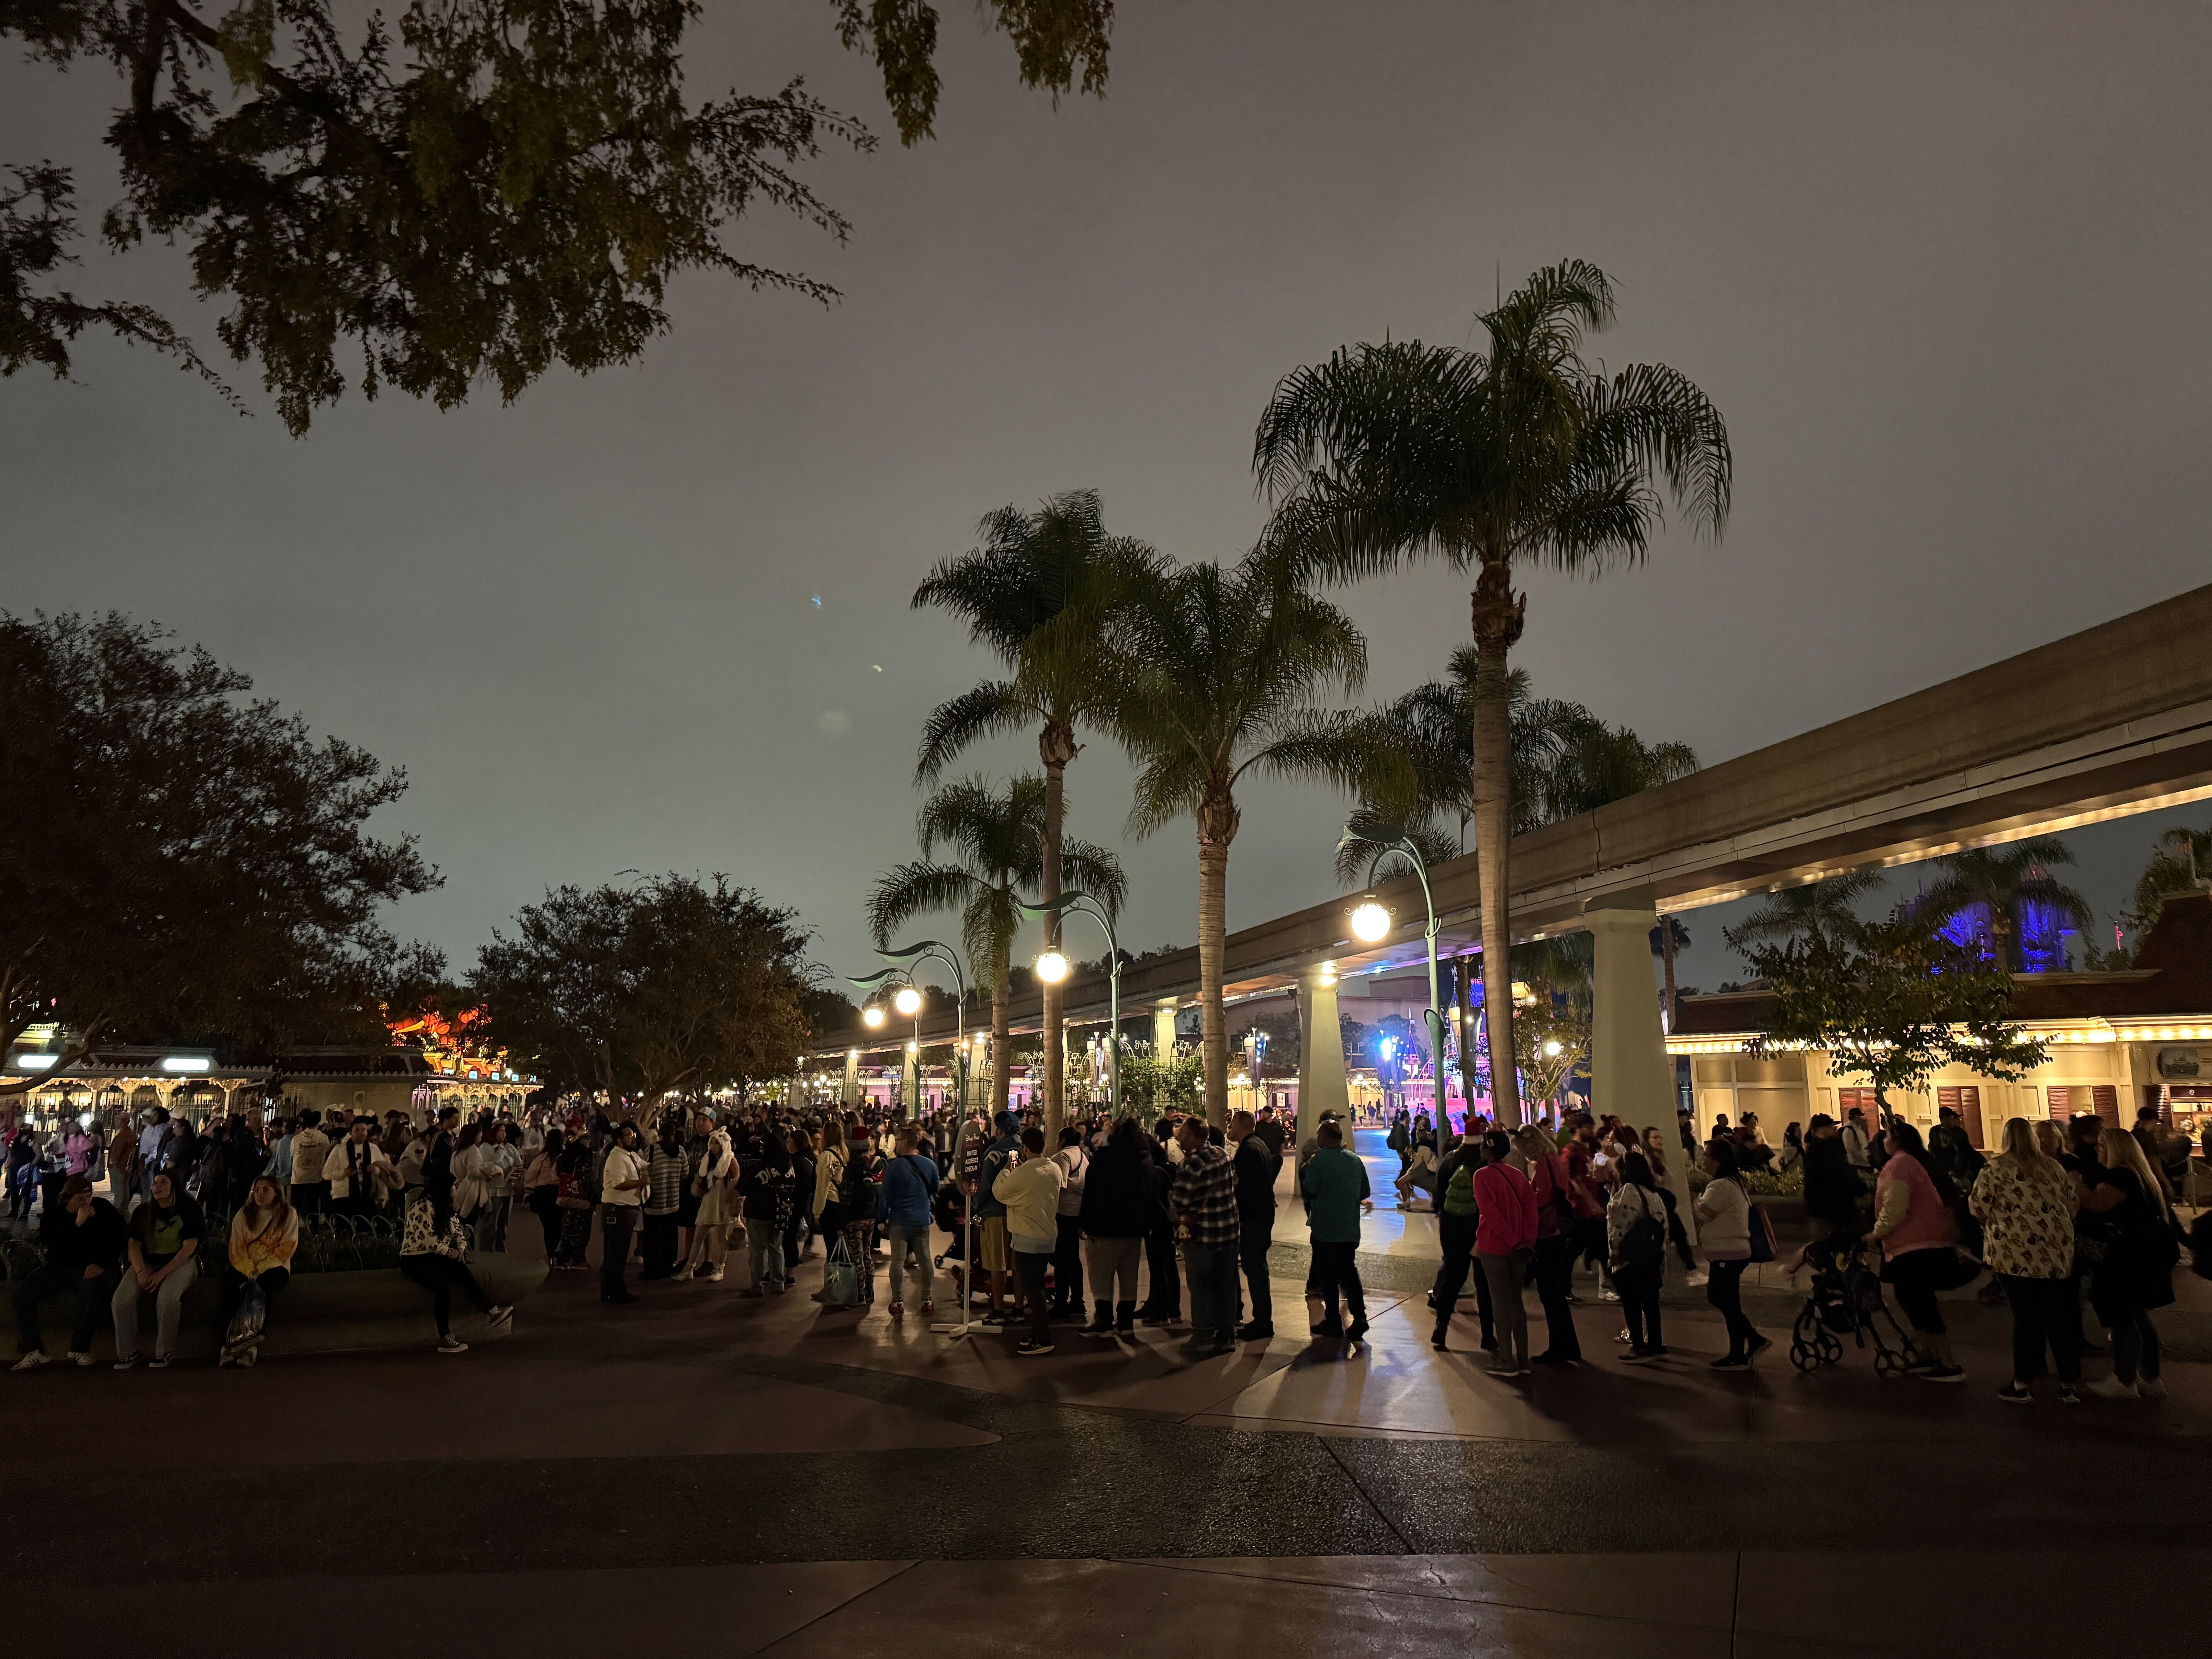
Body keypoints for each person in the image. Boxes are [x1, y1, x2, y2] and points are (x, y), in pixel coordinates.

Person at [1969, 1117, 2081, 1406]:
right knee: (2057, 1317)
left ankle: (2023, 1383)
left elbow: (1978, 1206)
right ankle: (2069, 1384)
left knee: (2025, 1318)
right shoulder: (2053, 1167)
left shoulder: (1996, 1168)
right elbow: (2072, 1204)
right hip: (2056, 1252)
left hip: (2014, 1254)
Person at [1865, 1119, 1965, 1383]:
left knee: (1920, 1304)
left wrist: (1875, 1235)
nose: (1884, 1141)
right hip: (1929, 1244)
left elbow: (1894, 1209)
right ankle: (1929, 1354)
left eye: (1887, 1137)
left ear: (1897, 1141)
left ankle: (1946, 1362)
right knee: (1916, 1301)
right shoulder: (1919, 1162)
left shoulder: (1900, 1165)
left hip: (1912, 1247)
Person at [2081, 1126, 2176, 1399]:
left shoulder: (2121, 1176)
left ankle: (2124, 1380)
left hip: (2127, 1256)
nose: (2097, 1150)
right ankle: (2150, 1377)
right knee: (2137, 1316)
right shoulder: (2141, 1175)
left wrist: (2077, 1187)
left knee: (2122, 1317)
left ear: (2116, 1149)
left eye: (2102, 1145)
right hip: (2144, 1253)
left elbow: (2099, 1204)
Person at [11, 1175, 128, 1370]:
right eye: (80, 1198)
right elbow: (56, 1246)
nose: (86, 1202)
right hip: (62, 1265)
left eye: (89, 1197)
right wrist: (77, 1224)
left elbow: (118, 1238)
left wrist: (101, 1264)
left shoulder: (103, 1209)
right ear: (68, 1198)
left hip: (94, 1265)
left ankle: (79, 1348)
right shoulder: (54, 1216)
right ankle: (34, 1349)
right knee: (23, 1294)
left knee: (92, 1292)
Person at [398, 1188, 511, 1354]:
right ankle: (445, 1337)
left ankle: (490, 1311)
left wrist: (460, 1248)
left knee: (462, 1272)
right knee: (442, 1289)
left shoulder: (446, 1207)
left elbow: (458, 1231)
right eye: (453, 1186)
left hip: (436, 1255)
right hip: (415, 1258)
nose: (456, 1189)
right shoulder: (422, 1207)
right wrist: (449, 1252)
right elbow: (426, 1239)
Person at [112, 1170, 205, 1370]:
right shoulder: (143, 1212)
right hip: (148, 1263)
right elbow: (134, 1244)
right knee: (121, 1300)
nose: (158, 1187)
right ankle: (128, 1353)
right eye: (155, 1183)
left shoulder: (190, 1210)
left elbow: (188, 1248)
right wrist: (141, 1271)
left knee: (168, 1298)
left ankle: (165, 1352)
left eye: (163, 1183)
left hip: (180, 1263)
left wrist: (162, 1274)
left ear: (174, 1187)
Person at [1170, 1114, 1240, 1358]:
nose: (1179, 1137)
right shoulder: (1223, 1155)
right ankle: (1227, 1334)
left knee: (1201, 1286)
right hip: (1229, 1232)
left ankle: (1203, 1334)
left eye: (1182, 1133)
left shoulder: (1191, 1164)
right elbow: (1235, 1182)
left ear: (1192, 1136)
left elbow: (1181, 1201)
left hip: (1202, 1236)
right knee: (1226, 1284)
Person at [993, 1127, 1065, 1355]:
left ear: (1024, 1148)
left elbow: (1000, 1192)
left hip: (1027, 1241)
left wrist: (1007, 1170)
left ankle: (1043, 1340)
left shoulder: (1023, 1174)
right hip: (1048, 1237)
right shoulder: (1054, 1169)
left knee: (1034, 1293)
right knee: (1038, 1288)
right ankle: (1036, 1335)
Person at [1079, 1117, 1154, 1338]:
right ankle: (1126, 1322)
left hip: (1105, 1229)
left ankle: (1103, 1319)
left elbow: (1091, 1192)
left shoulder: (1105, 1159)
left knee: (1101, 1276)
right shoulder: (1145, 1159)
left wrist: (1086, 1224)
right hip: (1134, 1230)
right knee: (1130, 1277)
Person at [1515, 1123, 1583, 1365]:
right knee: (1555, 1294)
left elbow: (1542, 1198)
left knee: (1549, 1293)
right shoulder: (1554, 1159)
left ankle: (1559, 1348)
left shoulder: (1544, 1163)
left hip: (1547, 1231)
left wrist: (1525, 1200)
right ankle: (1568, 1346)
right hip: (1558, 1231)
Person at [1695, 1140, 1766, 1369]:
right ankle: (1740, 1350)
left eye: (1707, 1156)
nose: (1703, 1160)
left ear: (1718, 1161)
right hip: (1731, 1252)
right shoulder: (1732, 1183)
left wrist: (1697, 1201)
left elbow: (1703, 1213)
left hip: (1729, 1253)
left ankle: (1749, 1342)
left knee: (1720, 1298)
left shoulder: (1721, 1186)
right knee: (1728, 1301)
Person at [1301, 1118, 1372, 1344]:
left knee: (1328, 1275)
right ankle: (1360, 1317)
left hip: (1325, 1229)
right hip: (1349, 1228)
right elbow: (1365, 1191)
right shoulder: (1354, 1160)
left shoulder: (1319, 1161)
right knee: (1349, 1273)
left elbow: (1310, 1190)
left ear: (1324, 1138)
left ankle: (1333, 1321)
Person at [1470, 1132, 1536, 1377]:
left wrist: (1510, 1240)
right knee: (1516, 1301)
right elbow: (1532, 1213)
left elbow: (1491, 1215)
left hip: (1494, 1246)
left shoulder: (1481, 1176)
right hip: (1521, 1249)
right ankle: (1524, 1360)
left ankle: (1506, 1361)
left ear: (1489, 1150)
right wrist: (1525, 1242)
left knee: (1500, 1303)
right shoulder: (1519, 1176)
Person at [219, 1176, 299, 1368]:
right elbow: (237, 1247)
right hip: (244, 1265)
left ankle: (251, 1346)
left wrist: (260, 1270)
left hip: (275, 1266)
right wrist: (249, 1270)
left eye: (266, 1190)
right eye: (256, 1190)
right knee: (230, 1289)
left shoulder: (288, 1215)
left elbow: (286, 1247)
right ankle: (227, 1345)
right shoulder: (243, 1215)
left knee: (263, 1290)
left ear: (277, 1192)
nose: (260, 1194)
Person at [1429, 1129, 1494, 1353]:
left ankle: (1441, 1328)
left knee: (1453, 1277)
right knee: (1484, 1282)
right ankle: (1488, 1336)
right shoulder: (1484, 1165)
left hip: (1452, 1226)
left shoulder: (1450, 1160)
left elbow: (1438, 1194)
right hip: (1478, 1227)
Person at [1607, 1152, 1670, 1362]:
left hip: (1631, 1258)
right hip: (1651, 1257)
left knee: (1632, 1302)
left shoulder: (1629, 1191)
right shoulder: (1653, 1193)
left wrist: (1615, 1254)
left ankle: (1639, 1348)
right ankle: (1656, 1344)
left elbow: (1620, 1226)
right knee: (1650, 1303)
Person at [878, 1125, 938, 1317]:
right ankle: (927, 1299)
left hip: (900, 1221)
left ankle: (897, 1301)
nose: (896, 1144)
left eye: (898, 1141)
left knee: (897, 1261)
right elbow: (935, 1189)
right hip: (922, 1220)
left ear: (905, 1142)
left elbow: (885, 1196)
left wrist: (881, 1219)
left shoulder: (894, 1167)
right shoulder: (930, 1165)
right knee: (925, 1259)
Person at [1228, 1109, 1278, 1341]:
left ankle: (1262, 1321)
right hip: (1263, 1213)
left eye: (1233, 1123)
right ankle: (1262, 1319)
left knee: (1255, 1268)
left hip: (1254, 1216)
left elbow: (1244, 1186)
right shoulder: (1259, 1145)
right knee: (1258, 1267)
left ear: (1243, 1126)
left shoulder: (1247, 1150)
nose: (1231, 1128)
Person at [970, 1110, 1023, 1325]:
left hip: (994, 1213)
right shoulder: (1024, 1149)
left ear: (999, 1130)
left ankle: (998, 1310)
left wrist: (977, 1208)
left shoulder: (993, 1152)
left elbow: (984, 1186)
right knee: (1018, 1265)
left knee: (997, 1265)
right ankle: (1019, 1309)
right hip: (1020, 1213)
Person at [598, 1121, 647, 1304]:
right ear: (620, 1140)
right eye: (630, 1135)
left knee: (616, 1253)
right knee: (616, 1254)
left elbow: (644, 1165)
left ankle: (610, 1290)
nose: (634, 1138)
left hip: (625, 1209)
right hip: (618, 1210)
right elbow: (619, 1184)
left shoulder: (628, 1155)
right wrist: (642, 1183)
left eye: (634, 1134)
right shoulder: (617, 1157)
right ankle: (616, 1292)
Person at [1047, 1126, 1089, 1319]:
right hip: (1077, 1213)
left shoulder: (1063, 1157)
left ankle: (1062, 1303)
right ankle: (1078, 1300)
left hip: (1063, 1214)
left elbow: (1059, 1184)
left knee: (1062, 1260)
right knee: (1073, 1259)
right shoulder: (1082, 1156)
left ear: (1062, 1140)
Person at [1801, 1113, 1863, 1243]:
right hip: (1836, 1207)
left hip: (1821, 1207)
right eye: (1831, 1127)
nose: (1834, 1130)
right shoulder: (1828, 1149)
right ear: (1823, 1129)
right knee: (1837, 1245)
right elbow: (1843, 1173)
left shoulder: (1814, 1149)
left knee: (1824, 1244)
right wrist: (1860, 1188)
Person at [687, 1122, 738, 1282]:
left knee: (722, 1238)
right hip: (709, 1201)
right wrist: (698, 1186)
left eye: (717, 1143)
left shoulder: (730, 1161)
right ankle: (689, 1268)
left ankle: (720, 1268)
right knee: (699, 1236)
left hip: (722, 1202)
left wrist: (732, 1201)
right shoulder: (708, 1161)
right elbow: (703, 1180)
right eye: (713, 1143)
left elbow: (736, 1180)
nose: (714, 1146)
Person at [323, 1115, 396, 1222]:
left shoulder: (373, 1149)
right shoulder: (340, 1149)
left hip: (367, 1196)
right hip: (344, 1195)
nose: (361, 1133)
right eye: (357, 1130)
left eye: (364, 1130)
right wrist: (343, 1174)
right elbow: (326, 1173)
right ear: (351, 1132)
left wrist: (376, 1171)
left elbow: (383, 1170)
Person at [639, 1123, 687, 1280]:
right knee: (670, 1238)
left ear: (659, 1135)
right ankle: (667, 1268)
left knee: (652, 1238)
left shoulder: (652, 1150)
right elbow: (685, 1173)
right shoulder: (681, 1151)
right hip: (673, 1202)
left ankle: (652, 1270)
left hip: (654, 1202)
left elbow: (643, 1169)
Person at [521, 1128, 564, 1261]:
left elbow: (530, 1175)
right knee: (557, 1224)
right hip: (559, 1192)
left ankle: (550, 1253)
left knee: (548, 1226)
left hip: (543, 1193)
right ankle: (554, 1251)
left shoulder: (541, 1158)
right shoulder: (564, 1157)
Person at [288, 1110, 330, 1217]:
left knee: (296, 1208)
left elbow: (292, 1155)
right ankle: (313, 1226)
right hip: (316, 1178)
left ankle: (296, 1225)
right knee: (313, 1206)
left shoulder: (297, 1139)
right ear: (318, 1123)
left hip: (298, 1178)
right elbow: (328, 1155)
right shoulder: (324, 1138)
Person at [1840, 1107, 1871, 1171]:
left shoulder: (1858, 1129)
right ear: (1856, 1117)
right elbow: (1850, 1149)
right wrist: (1862, 1158)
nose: (1862, 1119)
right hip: (1856, 1164)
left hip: (1865, 1163)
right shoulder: (1849, 1130)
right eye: (1860, 1117)